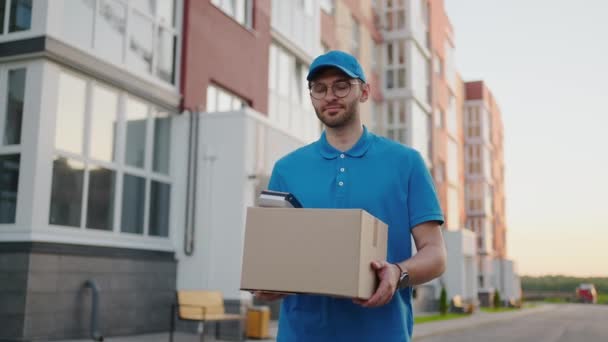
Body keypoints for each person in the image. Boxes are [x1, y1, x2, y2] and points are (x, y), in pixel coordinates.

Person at [255, 50, 447, 341]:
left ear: (365, 91)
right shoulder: (287, 169)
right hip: (301, 334)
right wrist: (268, 282)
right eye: (319, 88)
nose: (329, 95)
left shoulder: (406, 163)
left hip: (383, 333)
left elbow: (435, 253)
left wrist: (398, 274)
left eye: (341, 85)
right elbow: (274, 260)